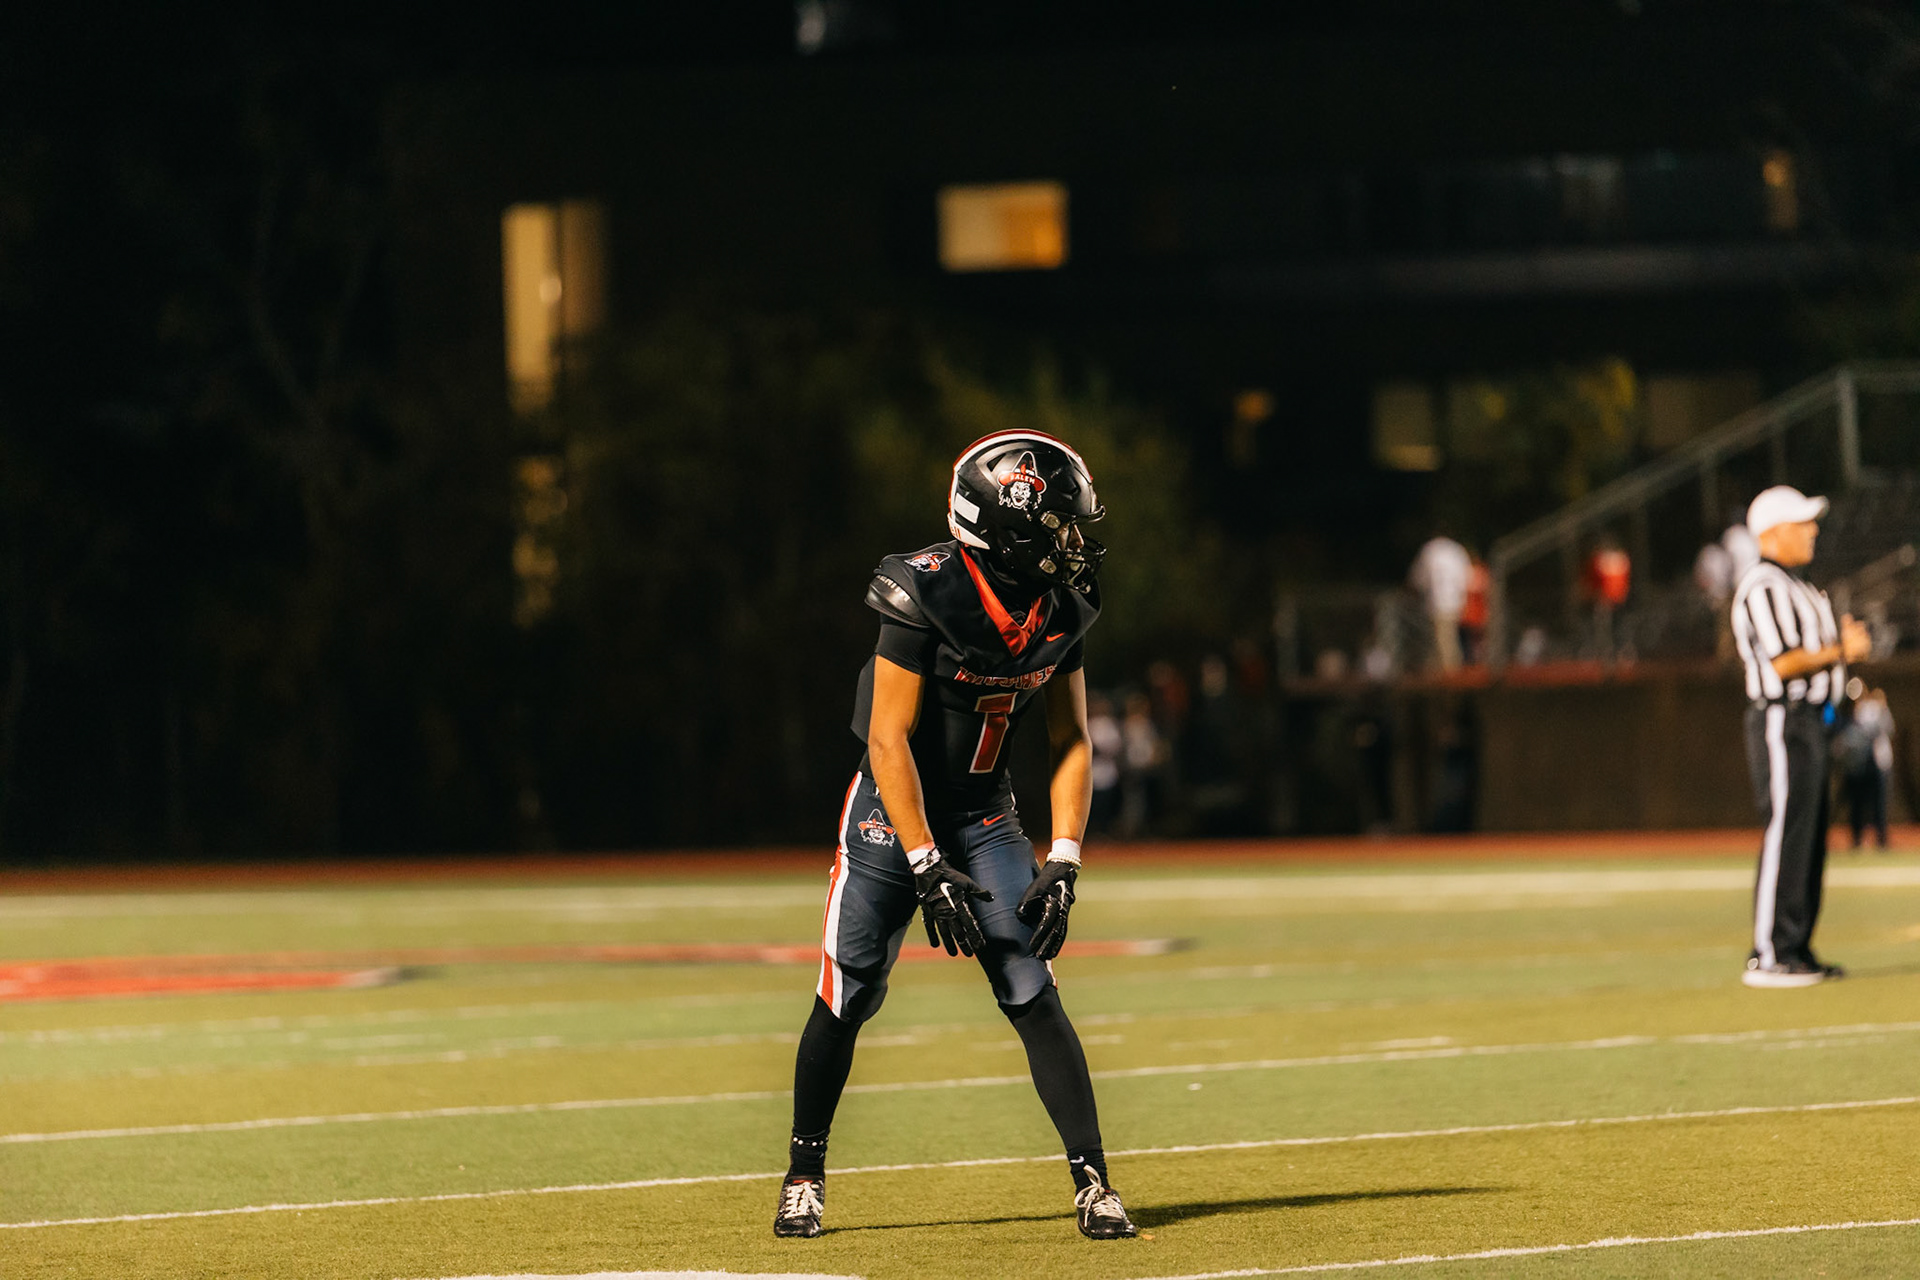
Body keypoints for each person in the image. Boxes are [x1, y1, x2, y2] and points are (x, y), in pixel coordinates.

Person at [774, 432, 1138, 1241]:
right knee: (847, 992)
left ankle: (1093, 1182)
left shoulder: (1063, 603)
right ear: (1008, 532)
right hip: (891, 809)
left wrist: (1066, 857)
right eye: (1058, 526)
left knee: (1031, 982)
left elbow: (1072, 739)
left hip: (983, 812)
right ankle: (804, 1172)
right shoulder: (927, 589)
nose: (1072, 544)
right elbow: (887, 739)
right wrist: (923, 861)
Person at [1730, 485, 1871, 988]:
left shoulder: (1801, 587)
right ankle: (1771, 953)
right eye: (1802, 523)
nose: (1812, 531)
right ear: (1772, 532)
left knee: (1809, 834)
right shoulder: (1763, 585)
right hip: (1783, 719)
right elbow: (1784, 662)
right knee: (1788, 829)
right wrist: (1840, 648)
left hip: (1813, 720)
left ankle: (1797, 946)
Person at [1836, 685, 1894, 851]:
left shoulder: (1876, 709)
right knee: (1857, 804)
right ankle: (1857, 839)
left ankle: (1881, 840)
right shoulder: (1849, 713)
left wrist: (1882, 707)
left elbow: (1887, 729)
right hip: (1856, 765)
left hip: (1877, 763)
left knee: (1879, 805)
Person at [1409, 535, 1471, 671]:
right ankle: (1447, 671)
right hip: (1455, 601)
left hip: (1436, 601)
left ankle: (1448, 674)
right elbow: (1467, 578)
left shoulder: (1430, 549)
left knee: (1442, 641)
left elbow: (1419, 579)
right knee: (1448, 638)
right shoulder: (1457, 550)